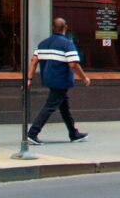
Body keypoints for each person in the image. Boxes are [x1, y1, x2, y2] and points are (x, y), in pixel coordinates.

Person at [26, 17, 90, 145]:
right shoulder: (67, 44)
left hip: (48, 79)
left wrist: (29, 78)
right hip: (61, 80)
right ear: (65, 28)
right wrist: (84, 77)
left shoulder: (43, 43)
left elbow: (34, 60)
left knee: (64, 107)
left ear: (52, 28)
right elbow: (73, 64)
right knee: (50, 106)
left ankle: (73, 133)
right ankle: (33, 133)